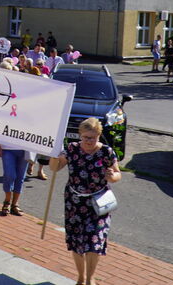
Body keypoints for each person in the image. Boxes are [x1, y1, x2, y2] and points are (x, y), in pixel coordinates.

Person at [49, 117, 122, 285]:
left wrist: (113, 176)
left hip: (99, 203)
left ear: (99, 135)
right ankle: (80, 277)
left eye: (93, 137)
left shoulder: (107, 152)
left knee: (94, 241)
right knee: (75, 241)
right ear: (80, 135)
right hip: (74, 202)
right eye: (85, 137)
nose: (89, 141)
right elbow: (54, 168)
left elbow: (118, 174)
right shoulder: (72, 149)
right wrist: (53, 156)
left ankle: (90, 279)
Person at [0, 142, 29, 217]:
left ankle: (15, 204)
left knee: (20, 177)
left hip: (26, 148)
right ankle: (7, 201)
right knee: (9, 175)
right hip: (7, 147)